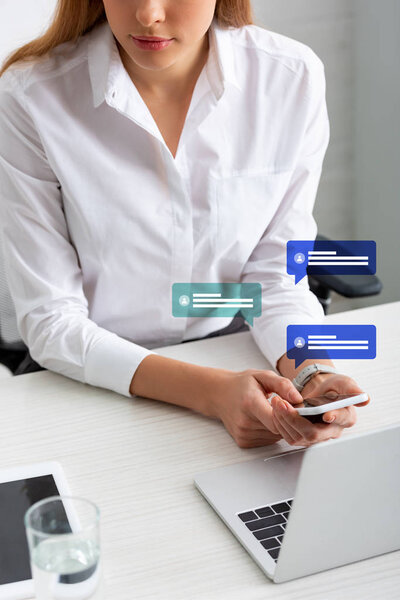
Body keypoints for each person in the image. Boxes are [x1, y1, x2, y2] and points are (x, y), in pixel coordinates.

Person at [0, 0, 369, 449]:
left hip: (229, 345)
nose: (148, 15)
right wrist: (212, 393)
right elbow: (50, 319)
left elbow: (274, 280)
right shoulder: (32, 94)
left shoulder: (289, 78)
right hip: (91, 370)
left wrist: (313, 374)